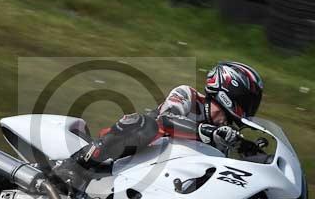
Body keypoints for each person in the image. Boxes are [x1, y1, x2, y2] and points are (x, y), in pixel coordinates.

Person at [53, 62, 264, 187]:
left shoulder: (223, 138)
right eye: (247, 102)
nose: (248, 110)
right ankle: (77, 165)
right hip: (131, 153)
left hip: (163, 178)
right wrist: (205, 131)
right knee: (144, 124)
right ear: (231, 92)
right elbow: (165, 121)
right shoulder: (188, 96)